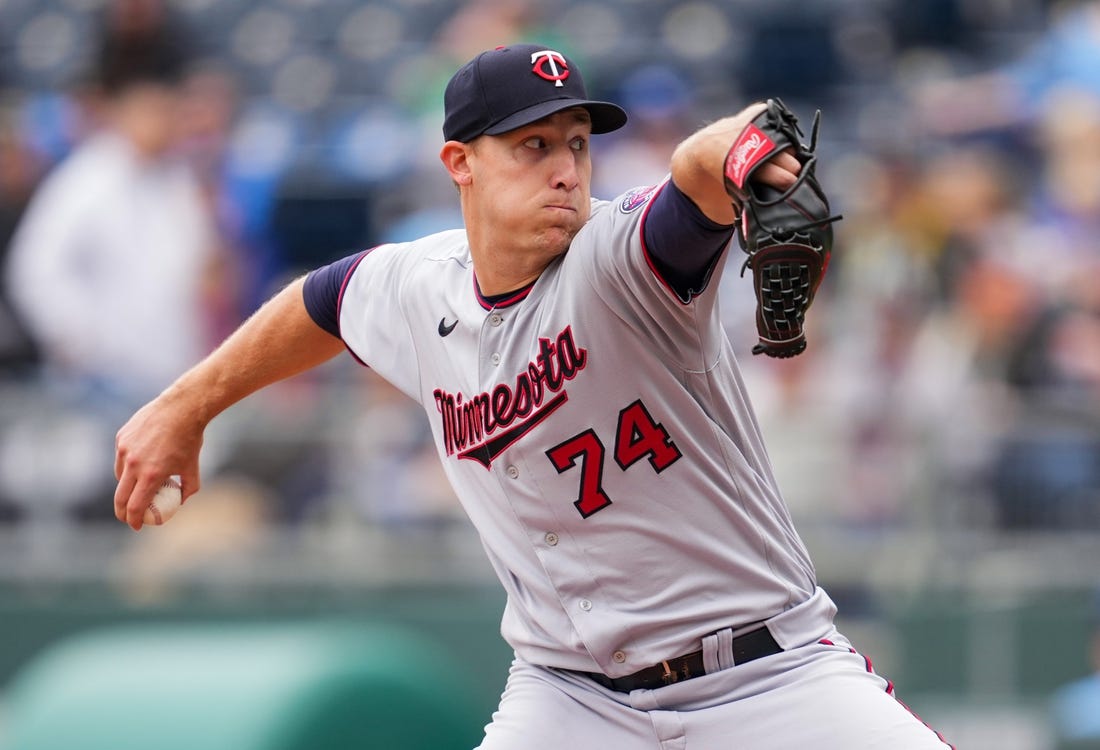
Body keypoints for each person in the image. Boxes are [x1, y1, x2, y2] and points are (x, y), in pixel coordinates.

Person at [113, 44, 953, 749]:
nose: (565, 171)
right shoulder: (415, 287)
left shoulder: (620, 260)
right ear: (459, 163)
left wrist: (750, 152)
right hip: (572, 699)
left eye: (577, 144)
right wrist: (184, 407)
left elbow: (697, 173)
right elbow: (320, 303)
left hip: (764, 675)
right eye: (533, 146)